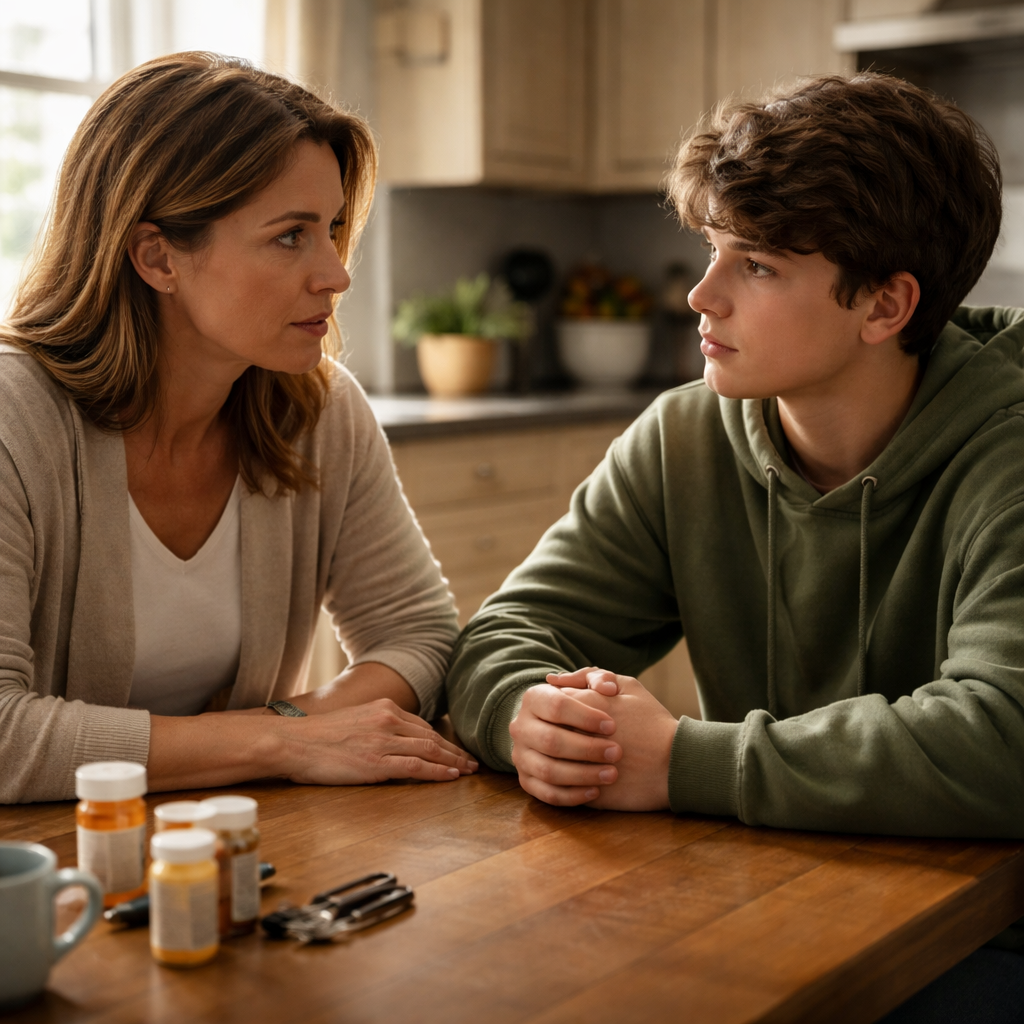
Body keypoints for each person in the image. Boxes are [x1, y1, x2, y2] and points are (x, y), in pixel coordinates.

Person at [446, 73, 1024, 833]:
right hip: (760, 886)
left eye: (757, 265)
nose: (700, 295)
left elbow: (1004, 741)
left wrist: (684, 761)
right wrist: (533, 717)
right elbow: (503, 634)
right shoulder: (680, 440)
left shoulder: (1006, 455)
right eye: (713, 250)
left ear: (886, 305)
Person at [0, 52, 477, 804]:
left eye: (333, 228)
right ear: (157, 257)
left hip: (239, 843)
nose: (336, 272)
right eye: (291, 235)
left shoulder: (318, 409)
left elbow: (421, 636)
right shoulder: (11, 421)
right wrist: (283, 739)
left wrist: (285, 729)